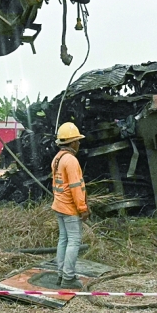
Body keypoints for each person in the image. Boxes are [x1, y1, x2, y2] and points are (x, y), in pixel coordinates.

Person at [51, 122, 89, 289]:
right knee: (74, 241)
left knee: (63, 240)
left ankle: (61, 274)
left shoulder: (57, 158)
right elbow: (75, 187)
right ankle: (68, 278)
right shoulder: (71, 160)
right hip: (69, 208)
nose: (79, 144)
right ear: (72, 142)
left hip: (59, 205)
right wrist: (83, 208)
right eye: (77, 141)